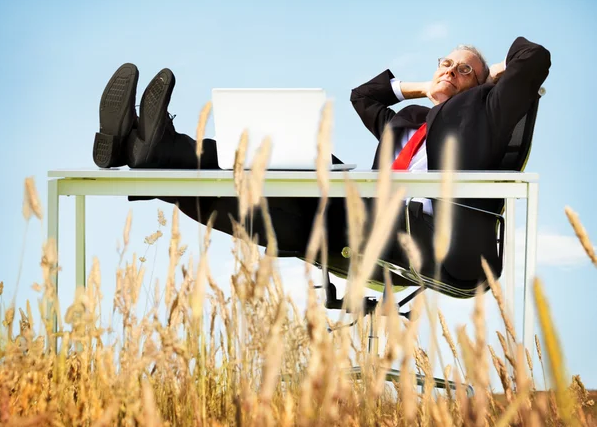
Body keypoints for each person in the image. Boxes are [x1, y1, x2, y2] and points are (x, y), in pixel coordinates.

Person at [92, 36, 550, 288]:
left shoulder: (482, 116)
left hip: (424, 237)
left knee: (292, 189)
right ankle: (147, 149)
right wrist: (423, 89)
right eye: (444, 64)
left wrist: (491, 82)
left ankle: (145, 152)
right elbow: (363, 96)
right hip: (361, 219)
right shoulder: (408, 121)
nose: (449, 72)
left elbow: (534, 58)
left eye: (462, 69)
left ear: (483, 86)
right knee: (279, 172)